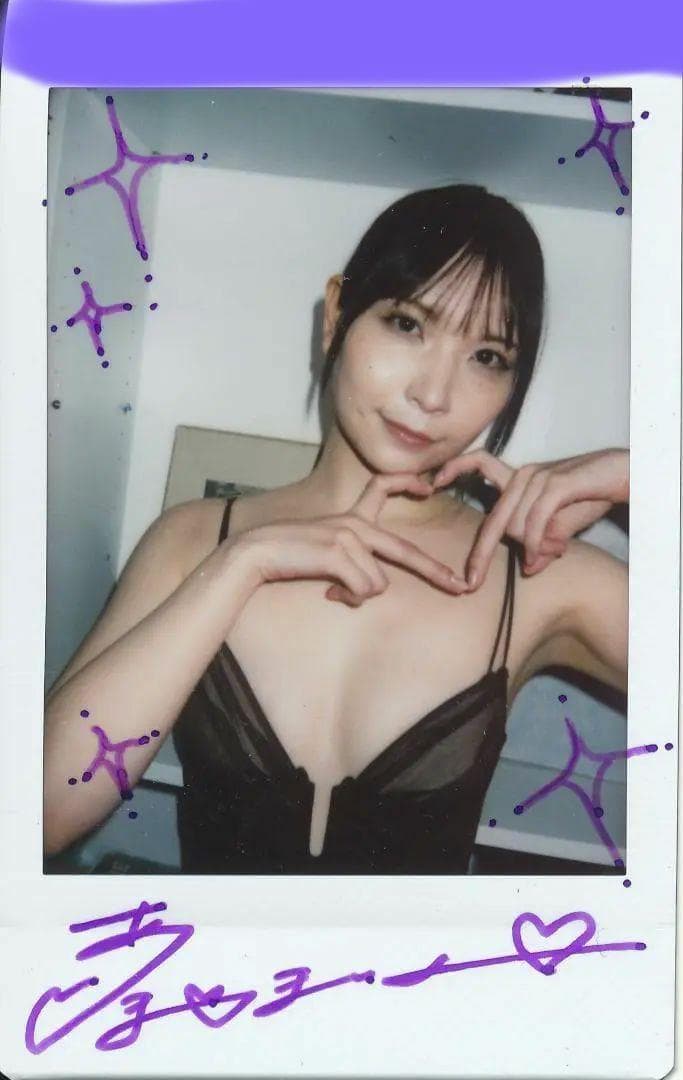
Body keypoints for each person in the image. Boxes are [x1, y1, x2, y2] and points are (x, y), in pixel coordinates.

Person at [44, 184, 628, 873]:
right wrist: (242, 564)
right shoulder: (194, 540)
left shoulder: (538, 577)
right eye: (408, 324)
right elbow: (41, 816)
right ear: (336, 317)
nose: (433, 394)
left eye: (487, 358)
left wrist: (641, 476)